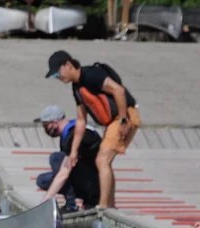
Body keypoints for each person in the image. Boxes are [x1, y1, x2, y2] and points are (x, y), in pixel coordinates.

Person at [45, 50, 140, 209]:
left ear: (68, 65)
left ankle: (102, 207)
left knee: (102, 159)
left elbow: (119, 90)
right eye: (55, 76)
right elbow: (81, 120)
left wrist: (124, 120)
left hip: (125, 115)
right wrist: (74, 151)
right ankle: (110, 206)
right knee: (105, 161)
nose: (58, 78)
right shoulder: (76, 87)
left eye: (58, 73)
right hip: (115, 120)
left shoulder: (91, 75)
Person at [34, 104, 101, 211]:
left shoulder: (74, 135)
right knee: (43, 180)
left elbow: (65, 172)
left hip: (92, 183)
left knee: (56, 158)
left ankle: (71, 204)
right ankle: (82, 200)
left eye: (45, 126)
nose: (45, 130)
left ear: (54, 122)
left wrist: (44, 201)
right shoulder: (69, 133)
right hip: (87, 178)